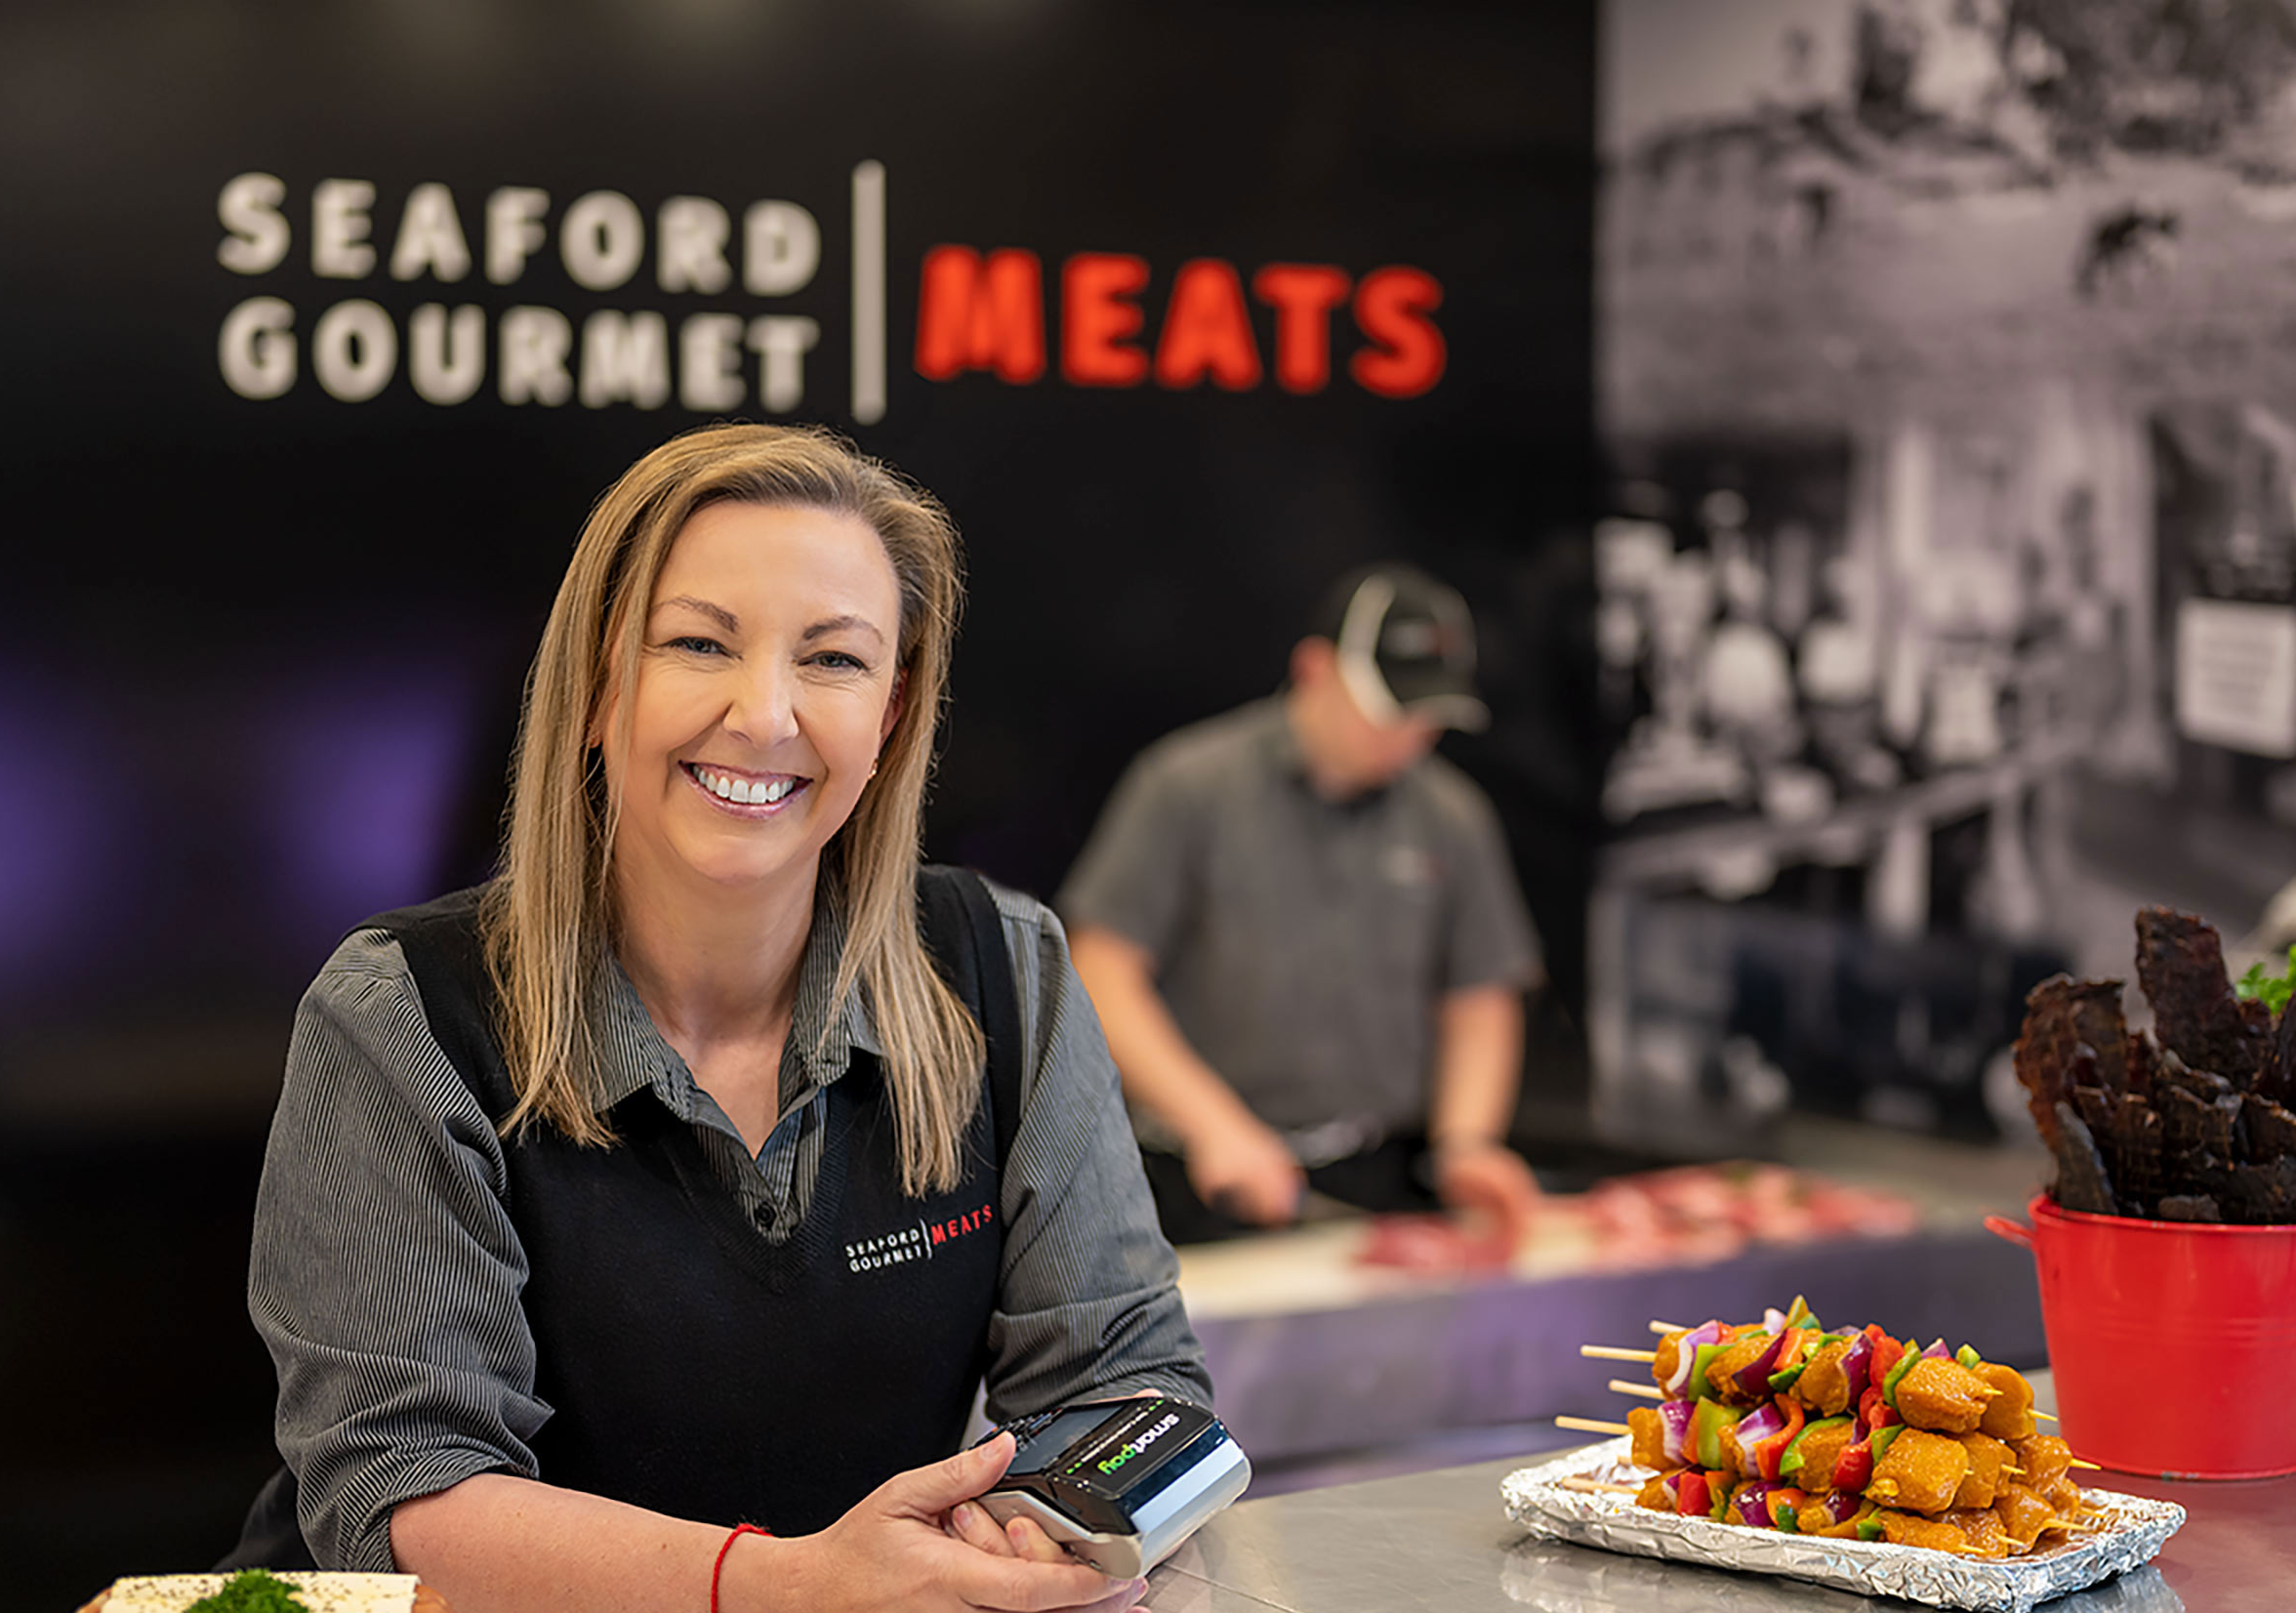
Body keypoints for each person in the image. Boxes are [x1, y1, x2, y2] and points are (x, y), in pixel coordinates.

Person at [236, 424, 1205, 1613]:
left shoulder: (1009, 966)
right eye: (700, 642)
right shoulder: (400, 1016)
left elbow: (1133, 1388)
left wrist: (1027, 1542)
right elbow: (399, 1501)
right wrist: (788, 1584)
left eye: (834, 660)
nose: (764, 714)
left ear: (893, 713)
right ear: (598, 683)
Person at [1060, 564, 1544, 1244]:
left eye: (1427, 718)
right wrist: (1213, 1124)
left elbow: (1480, 997)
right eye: (1389, 710)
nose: (1407, 736)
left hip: (1371, 1179)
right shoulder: (1188, 786)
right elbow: (1101, 974)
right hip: (1190, 1177)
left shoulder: (1452, 816)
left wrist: (1466, 1144)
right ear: (1316, 669)